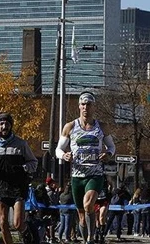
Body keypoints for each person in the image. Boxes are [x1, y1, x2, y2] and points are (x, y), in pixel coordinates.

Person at [55, 91, 116, 244]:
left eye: (88, 104)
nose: (85, 107)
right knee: (81, 215)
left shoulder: (102, 127)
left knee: (88, 204)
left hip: (95, 174)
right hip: (77, 176)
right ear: (79, 106)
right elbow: (58, 150)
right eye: (83, 104)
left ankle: (91, 239)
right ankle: (85, 238)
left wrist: (108, 154)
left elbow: (112, 147)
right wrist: (64, 156)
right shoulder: (70, 127)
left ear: (93, 106)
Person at [0, 112, 38, 244]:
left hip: (17, 187)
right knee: (2, 223)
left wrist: (23, 168)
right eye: (1, 123)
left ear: (11, 125)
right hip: (0, 187)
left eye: (7, 123)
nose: (4, 126)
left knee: (17, 224)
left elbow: (34, 162)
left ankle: (28, 234)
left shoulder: (21, 144)